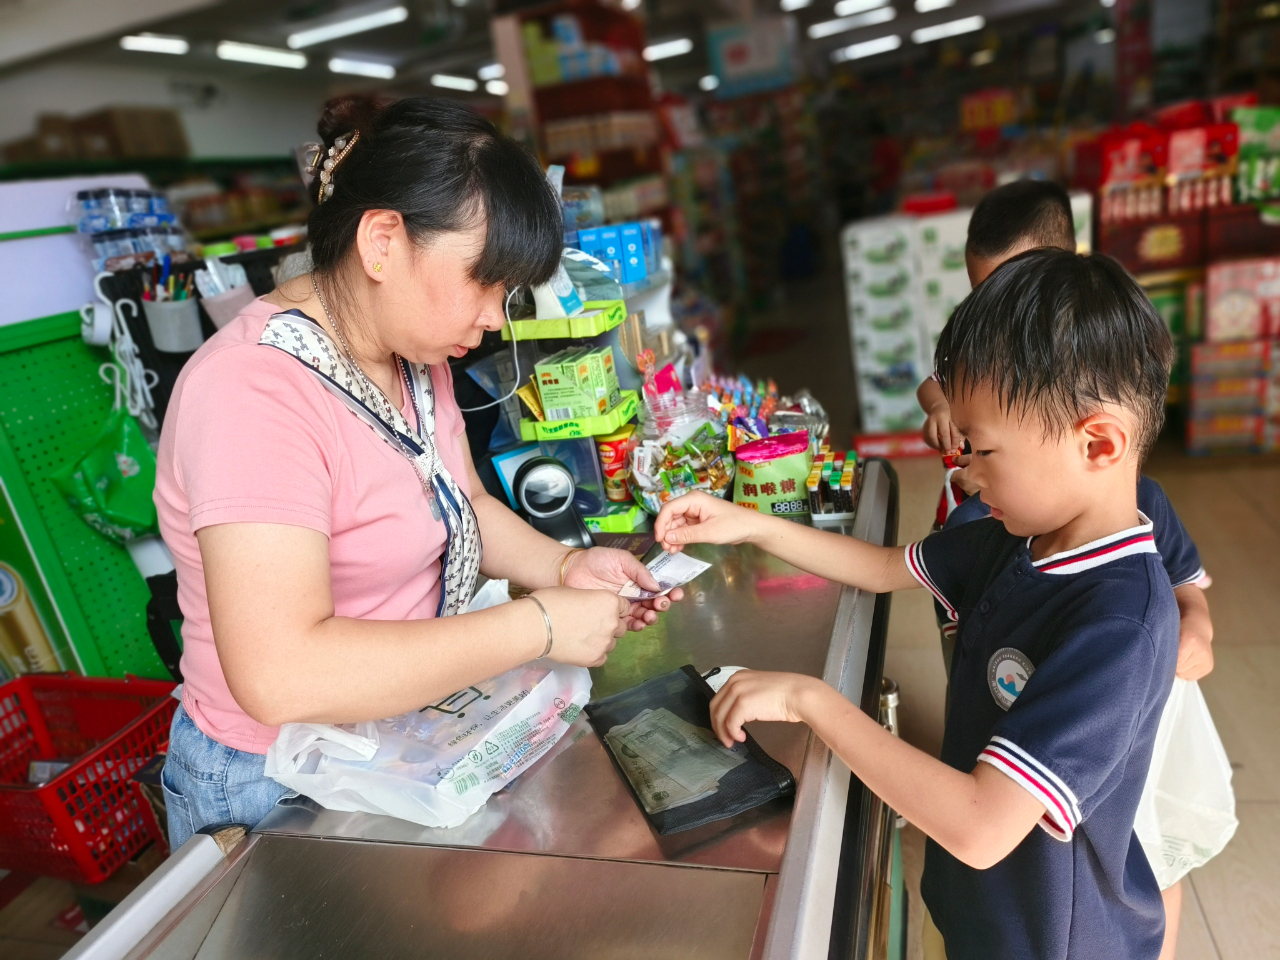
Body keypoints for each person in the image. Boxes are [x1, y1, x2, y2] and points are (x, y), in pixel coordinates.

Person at [155, 96, 681, 849]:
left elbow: (460, 498)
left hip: (392, 736)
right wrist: (536, 625)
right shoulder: (251, 392)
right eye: (487, 282)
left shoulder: (411, 352)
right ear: (382, 242)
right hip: (277, 782)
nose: (498, 317)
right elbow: (281, 673)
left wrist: (566, 566)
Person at [656, 250, 1178, 960]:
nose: (962, 470)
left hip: (1056, 941)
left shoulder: (1119, 624)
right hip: (985, 913)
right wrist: (747, 522)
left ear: (1099, 443)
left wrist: (814, 702)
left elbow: (981, 826)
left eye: (983, 450)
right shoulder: (1014, 534)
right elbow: (877, 569)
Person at [917, 181, 1218, 959]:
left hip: (1088, 761)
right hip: (1023, 768)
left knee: (1137, 844)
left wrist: (1183, 639)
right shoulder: (1024, 517)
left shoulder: (1119, 588)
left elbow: (1185, 599)